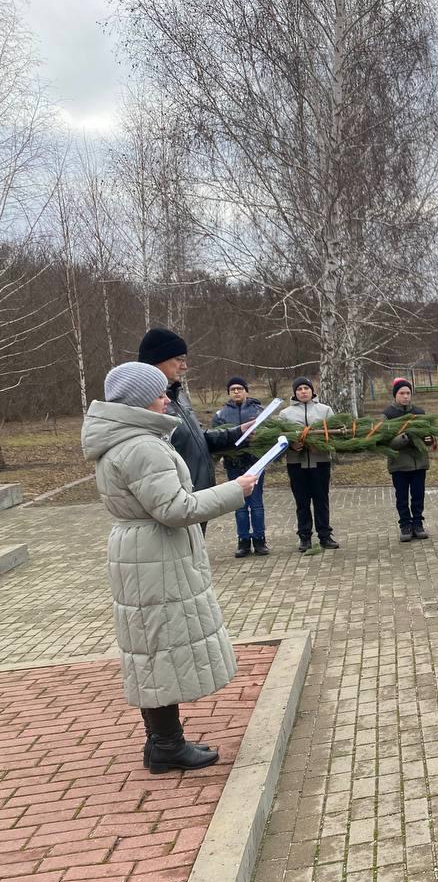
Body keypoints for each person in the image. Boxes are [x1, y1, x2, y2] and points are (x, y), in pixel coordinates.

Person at [82, 362, 256, 774]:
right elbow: (175, 509)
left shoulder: (127, 438)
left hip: (142, 551)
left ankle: (163, 741)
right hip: (154, 553)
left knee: (151, 645)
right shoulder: (141, 445)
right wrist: (235, 490)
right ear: (142, 398)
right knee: (158, 645)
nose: (167, 398)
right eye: (160, 392)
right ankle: (166, 744)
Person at [137, 328, 249, 514]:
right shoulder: (147, 403)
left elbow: (197, 439)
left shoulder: (178, 395)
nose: (185, 366)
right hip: (177, 504)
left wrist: (238, 432)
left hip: (196, 499)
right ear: (158, 359)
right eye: (179, 359)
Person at [279, 378, 339, 552]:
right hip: (296, 464)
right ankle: (304, 537)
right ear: (294, 393)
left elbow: (334, 435)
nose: (303, 391)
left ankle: (325, 536)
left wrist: (320, 443)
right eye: (299, 389)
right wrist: (291, 445)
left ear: (312, 391)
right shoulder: (285, 414)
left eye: (306, 388)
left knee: (321, 500)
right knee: (302, 502)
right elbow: (280, 437)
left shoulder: (325, 410)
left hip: (320, 462)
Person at [212, 376, 268, 557]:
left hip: (255, 463)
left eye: (240, 388)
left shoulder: (258, 411)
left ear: (246, 391)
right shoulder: (221, 415)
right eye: (233, 389)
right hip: (234, 465)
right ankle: (243, 541)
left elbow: (268, 434)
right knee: (240, 504)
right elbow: (216, 438)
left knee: (257, 504)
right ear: (228, 393)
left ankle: (260, 540)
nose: (236, 391)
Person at [384, 377, 433, 543]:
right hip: (399, 464)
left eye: (408, 393)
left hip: (419, 462)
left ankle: (418, 524)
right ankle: (405, 525)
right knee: (402, 496)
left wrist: (428, 439)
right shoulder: (388, 415)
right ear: (395, 395)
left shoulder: (419, 412)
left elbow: (429, 433)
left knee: (418, 495)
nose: (405, 396)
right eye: (401, 393)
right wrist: (404, 439)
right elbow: (384, 441)